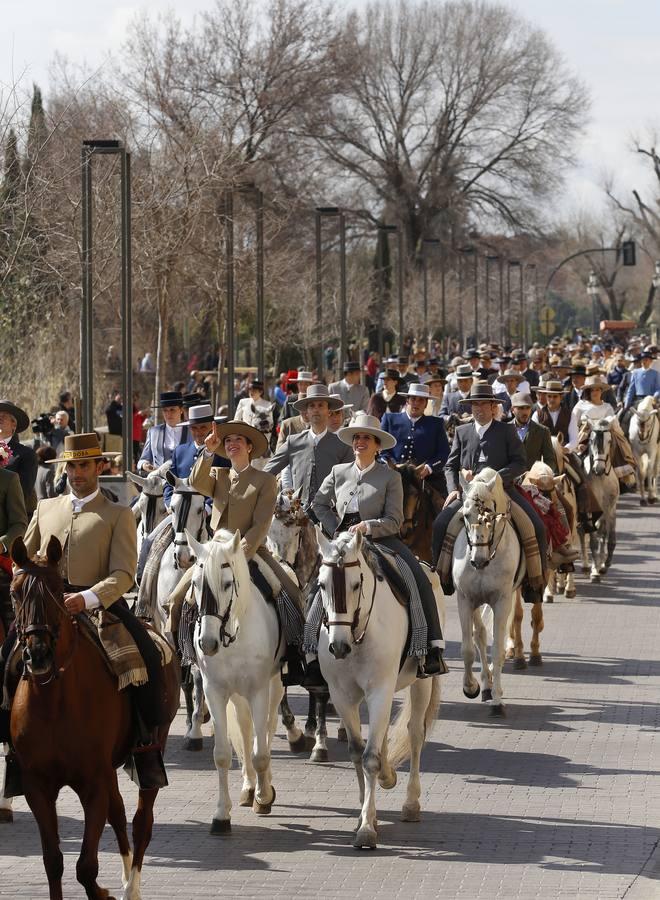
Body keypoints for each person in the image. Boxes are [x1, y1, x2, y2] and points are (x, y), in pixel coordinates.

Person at [15, 432, 167, 786]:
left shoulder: (118, 514)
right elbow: (25, 560)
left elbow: (124, 573)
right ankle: (13, 748)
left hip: (100, 604)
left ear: (100, 466)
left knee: (146, 655)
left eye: (84, 465)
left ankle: (145, 746)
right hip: (45, 607)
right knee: (7, 655)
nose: (77, 473)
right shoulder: (46, 508)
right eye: (71, 466)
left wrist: (88, 598)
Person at [309, 413, 447, 682]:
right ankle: (309, 652)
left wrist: (368, 526)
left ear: (377, 445)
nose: (360, 442)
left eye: (366, 438)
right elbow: (318, 504)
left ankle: (430, 646)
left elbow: (395, 520)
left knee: (417, 577)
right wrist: (336, 528)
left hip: (381, 540)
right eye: (357, 437)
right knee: (318, 585)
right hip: (343, 543)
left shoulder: (390, 477)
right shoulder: (338, 472)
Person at [181, 419, 306, 684]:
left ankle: (295, 659)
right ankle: (184, 655)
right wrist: (208, 451)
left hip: (252, 551)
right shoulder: (218, 475)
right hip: (214, 552)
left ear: (249, 447)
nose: (232, 444)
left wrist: (237, 556)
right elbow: (195, 482)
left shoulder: (265, 480)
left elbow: (260, 525)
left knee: (290, 594)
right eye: (228, 441)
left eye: (238, 440)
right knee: (176, 599)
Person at [431, 382, 548, 603]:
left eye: (484, 404)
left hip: (503, 492)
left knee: (537, 527)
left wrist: (494, 478)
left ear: (493, 407)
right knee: (439, 524)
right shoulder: (462, 431)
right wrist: (453, 489)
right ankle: (441, 578)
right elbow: (450, 466)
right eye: (475, 404)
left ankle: (535, 582)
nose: (479, 408)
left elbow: (520, 463)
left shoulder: (506, 430)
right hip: (469, 495)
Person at [265, 384, 354, 508]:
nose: (316, 409)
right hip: (298, 514)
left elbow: (352, 482)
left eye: (321, 405)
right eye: (312, 406)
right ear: (306, 412)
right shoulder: (293, 442)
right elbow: (266, 472)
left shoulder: (343, 446)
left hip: (331, 514)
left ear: (329, 412)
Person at [379, 383, 450, 495]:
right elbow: (380, 449)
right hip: (392, 477)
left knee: (445, 503)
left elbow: (444, 453)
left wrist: (429, 467)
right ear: (407, 401)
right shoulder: (389, 419)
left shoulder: (436, 424)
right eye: (413, 399)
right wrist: (393, 465)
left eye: (421, 400)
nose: (416, 403)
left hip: (427, 480)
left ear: (426, 404)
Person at [0, 400, 38, 517]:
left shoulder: (25, 454)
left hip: (11, 519)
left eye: (3, 416)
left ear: (14, 425)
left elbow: (22, 493)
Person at [138, 391, 190, 472]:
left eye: (172, 410)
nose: (168, 414)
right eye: (165, 410)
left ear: (181, 410)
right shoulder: (153, 432)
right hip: (159, 478)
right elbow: (143, 459)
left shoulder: (191, 431)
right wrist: (144, 465)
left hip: (185, 478)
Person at [511, 393, 556, 471]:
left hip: (534, 476)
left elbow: (550, 460)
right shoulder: (504, 429)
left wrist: (543, 474)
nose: (525, 412)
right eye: (521, 408)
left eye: (528, 408)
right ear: (512, 410)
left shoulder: (543, 431)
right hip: (510, 477)